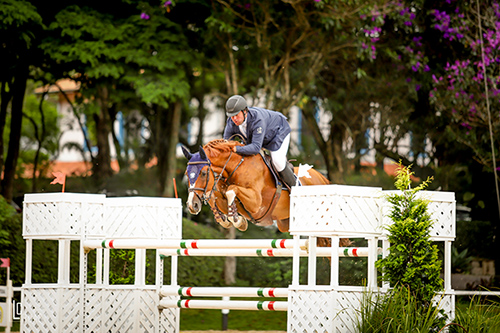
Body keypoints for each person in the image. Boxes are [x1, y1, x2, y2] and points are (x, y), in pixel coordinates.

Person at [223, 94, 296, 189]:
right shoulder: (231, 122)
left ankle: (296, 187)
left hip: (278, 132)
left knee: (277, 161)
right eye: (232, 116)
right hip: (261, 138)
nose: (234, 119)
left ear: (245, 111)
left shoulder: (257, 120)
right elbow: (226, 143)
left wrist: (237, 149)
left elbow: (256, 148)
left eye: (236, 115)